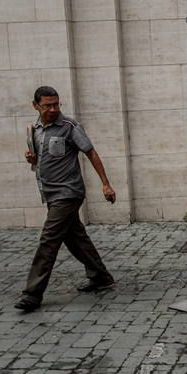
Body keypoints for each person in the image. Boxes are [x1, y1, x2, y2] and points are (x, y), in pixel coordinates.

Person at [14, 86, 116, 312]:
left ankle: (32, 294)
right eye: (47, 105)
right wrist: (31, 159)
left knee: (49, 240)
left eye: (56, 104)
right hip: (49, 193)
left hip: (68, 193)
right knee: (75, 237)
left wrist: (105, 183)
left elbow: (90, 152)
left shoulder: (69, 127)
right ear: (36, 106)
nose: (53, 109)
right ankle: (100, 276)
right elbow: (40, 161)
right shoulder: (35, 130)